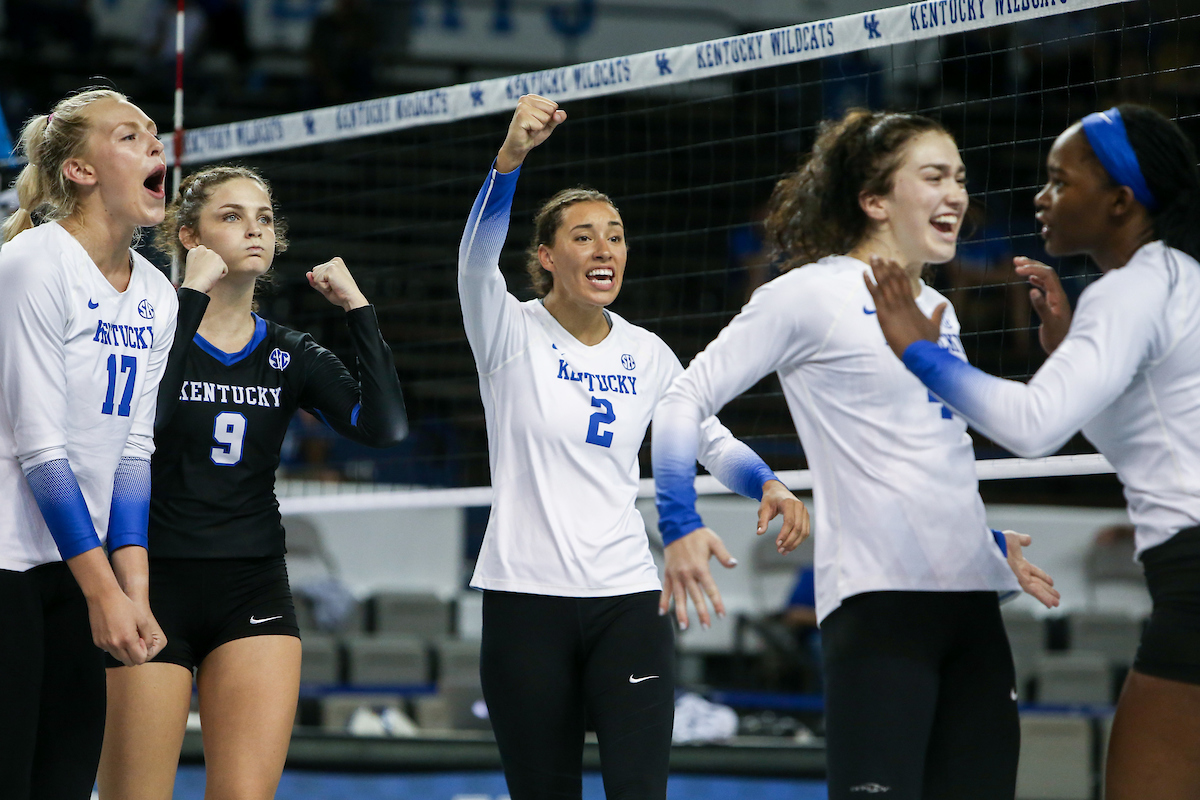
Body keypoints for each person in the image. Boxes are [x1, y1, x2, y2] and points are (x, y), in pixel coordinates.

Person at [652, 107, 1061, 800]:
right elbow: (678, 400)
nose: (956, 194)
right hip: (878, 607)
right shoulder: (807, 296)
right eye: (933, 176)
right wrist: (678, 521)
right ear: (874, 200)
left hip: (971, 605)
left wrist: (984, 538)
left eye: (960, 178)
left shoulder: (940, 309)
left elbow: (925, 450)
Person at [460, 94, 809, 800]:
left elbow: (704, 434)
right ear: (547, 257)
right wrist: (510, 161)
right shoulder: (507, 332)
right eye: (584, 236)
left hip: (627, 596)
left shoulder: (647, 353)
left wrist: (766, 481)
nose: (605, 249)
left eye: (615, 235)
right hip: (527, 597)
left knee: (640, 789)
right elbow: (473, 261)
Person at [866, 103, 1200, 800]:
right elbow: (1157, 438)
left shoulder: (1133, 289)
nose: (1039, 198)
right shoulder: (1177, 277)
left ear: (1119, 201)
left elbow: (1031, 430)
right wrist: (1068, 359)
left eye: (1058, 181)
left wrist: (919, 351)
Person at [97, 165, 409, 800]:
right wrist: (187, 298)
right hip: (147, 581)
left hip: (252, 583)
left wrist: (358, 311)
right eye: (231, 216)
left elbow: (385, 429)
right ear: (189, 236)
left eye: (263, 217)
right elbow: (143, 415)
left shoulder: (290, 352)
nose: (254, 229)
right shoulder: (144, 328)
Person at [0, 88, 176, 799]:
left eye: (155, 136)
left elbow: (136, 450)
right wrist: (105, 590)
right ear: (79, 170)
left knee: (65, 783)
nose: (155, 147)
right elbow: (40, 448)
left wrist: (131, 592)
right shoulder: (35, 263)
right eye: (130, 136)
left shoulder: (157, 294)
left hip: (77, 565)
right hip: (10, 560)